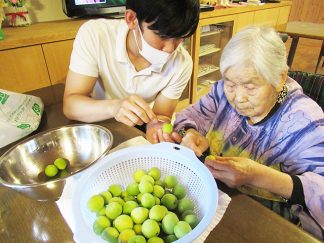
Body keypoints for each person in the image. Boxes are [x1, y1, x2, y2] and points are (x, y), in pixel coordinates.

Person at [164, 26, 324, 239]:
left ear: (280, 78)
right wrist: (190, 132)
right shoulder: (221, 92)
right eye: (231, 84)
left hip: (266, 223)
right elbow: (189, 116)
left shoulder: (304, 121)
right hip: (214, 200)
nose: (238, 97)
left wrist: (258, 176)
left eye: (250, 88)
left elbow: (320, 192)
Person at [63, 0, 200, 142]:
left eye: (180, 38)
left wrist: (156, 126)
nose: (170, 49)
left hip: (139, 126)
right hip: (97, 122)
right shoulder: (96, 35)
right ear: (131, 19)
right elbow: (71, 106)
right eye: (163, 36)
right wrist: (114, 107)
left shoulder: (182, 63)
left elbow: (161, 116)